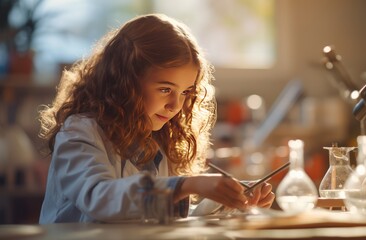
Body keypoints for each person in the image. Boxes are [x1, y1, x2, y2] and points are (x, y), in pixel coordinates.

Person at [38, 13, 274, 223]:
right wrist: (184, 185)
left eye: (185, 92)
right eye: (165, 89)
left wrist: (230, 203)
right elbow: (100, 198)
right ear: (125, 82)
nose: (176, 105)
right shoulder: (80, 131)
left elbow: (163, 216)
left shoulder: (158, 141)